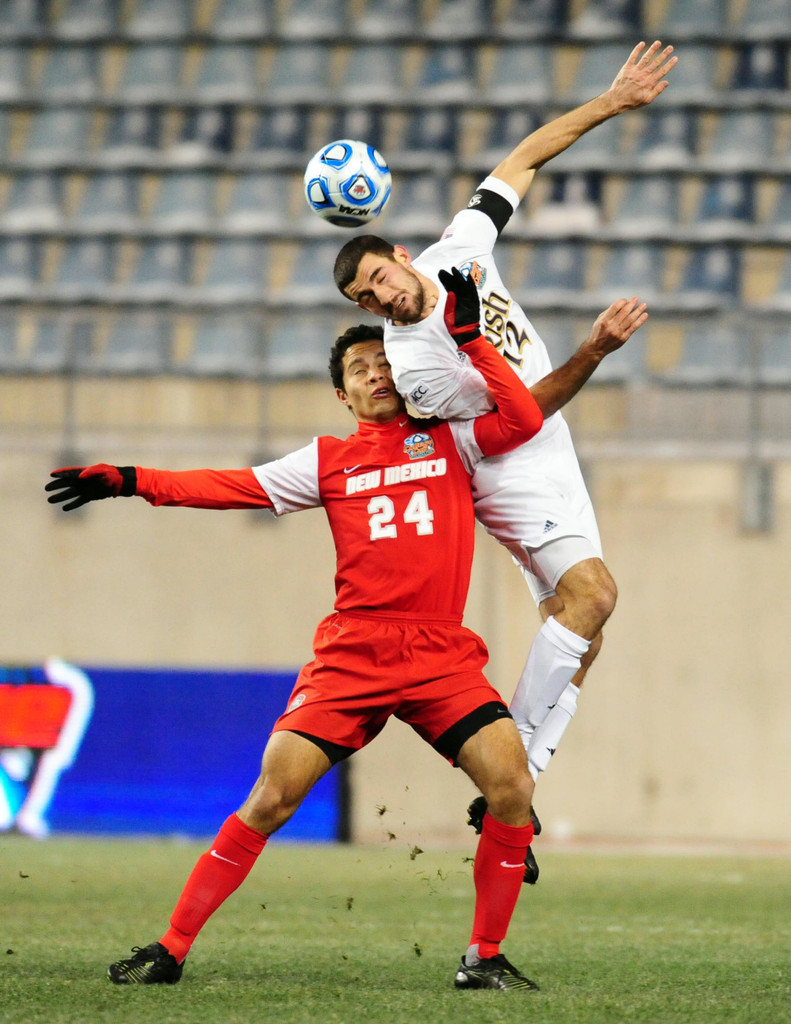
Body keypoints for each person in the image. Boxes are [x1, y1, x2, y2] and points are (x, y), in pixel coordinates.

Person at [46, 271, 646, 992]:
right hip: (353, 655)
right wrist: (129, 477)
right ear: (344, 396)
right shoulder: (326, 462)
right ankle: (169, 948)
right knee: (271, 799)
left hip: (436, 654)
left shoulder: (452, 439)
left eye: (386, 363)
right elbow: (225, 486)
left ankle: (482, 958)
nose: (376, 374)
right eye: (360, 370)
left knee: (511, 788)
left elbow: (522, 416)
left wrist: (512, 344)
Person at [333, 41, 678, 836]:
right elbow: (518, 412)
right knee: (594, 597)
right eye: (365, 299)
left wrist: (610, 102)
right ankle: (511, 771)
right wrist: (593, 351)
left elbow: (522, 158)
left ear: (399, 255)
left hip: (547, 442)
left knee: (580, 630)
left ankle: (517, 778)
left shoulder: (461, 246)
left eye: (380, 280)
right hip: (502, 462)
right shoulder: (416, 368)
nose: (381, 299)